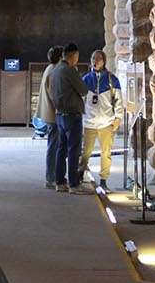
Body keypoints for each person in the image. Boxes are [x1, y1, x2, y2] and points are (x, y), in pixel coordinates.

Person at [46, 42, 90, 193]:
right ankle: (74, 184)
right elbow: (83, 90)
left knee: (61, 149)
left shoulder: (56, 70)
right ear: (74, 55)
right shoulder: (69, 70)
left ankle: (60, 182)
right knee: (73, 150)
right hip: (72, 115)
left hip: (59, 114)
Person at [79, 50, 122, 183]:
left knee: (106, 153)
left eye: (98, 58)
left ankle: (104, 180)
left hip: (106, 122)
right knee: (86, 152)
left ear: (103, 61)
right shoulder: (85, 79)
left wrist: (118, 117)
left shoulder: (112, 79)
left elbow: (119, 100)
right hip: (89, 122)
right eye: (93, 58)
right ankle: (80, 173)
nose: (95, 61)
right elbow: (80, 100)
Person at [36, 46, 65, 189]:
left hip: (49, 113)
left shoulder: (49, 68)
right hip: (54, 115)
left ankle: (53, 176)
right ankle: (51, 178)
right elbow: (55, 95)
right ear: (60, 57)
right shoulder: (55, 71)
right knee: (54, 146)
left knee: (54, 145)